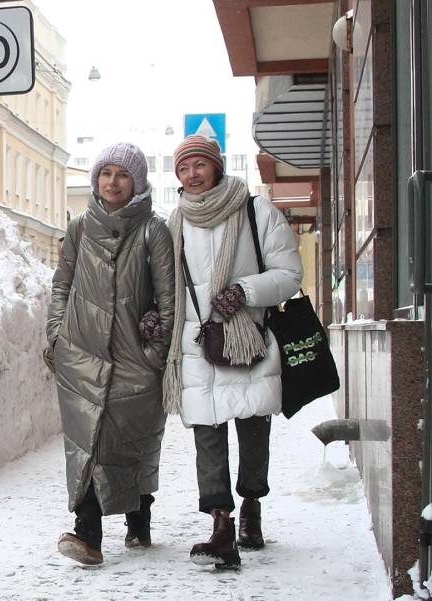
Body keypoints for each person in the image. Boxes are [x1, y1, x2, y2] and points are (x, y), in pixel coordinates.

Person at [160, 135, 302, 569]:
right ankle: (221, 524)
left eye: (199, 165)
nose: (192, 174)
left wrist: (245, 290)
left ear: (217, 167)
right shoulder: (176, 220)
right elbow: (168, 282)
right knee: (207, 435)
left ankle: (252, 507)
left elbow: (290, 274)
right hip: (198, 341)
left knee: (253, 432)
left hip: (248, 338)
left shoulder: (256, 210)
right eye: (183, 168)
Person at [45, 142, 176, 566]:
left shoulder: (154, 230)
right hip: (81, 353)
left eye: (122, 175)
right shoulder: (80, 227)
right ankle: (88, 534)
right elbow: (62, 283)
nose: (112, 182)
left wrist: (155, 350)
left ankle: (138, 517)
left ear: (136, 181)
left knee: (129, 444)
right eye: (106, 173)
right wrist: (56, 336)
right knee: (87, 443)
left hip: (133, 359)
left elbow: (167, 297)